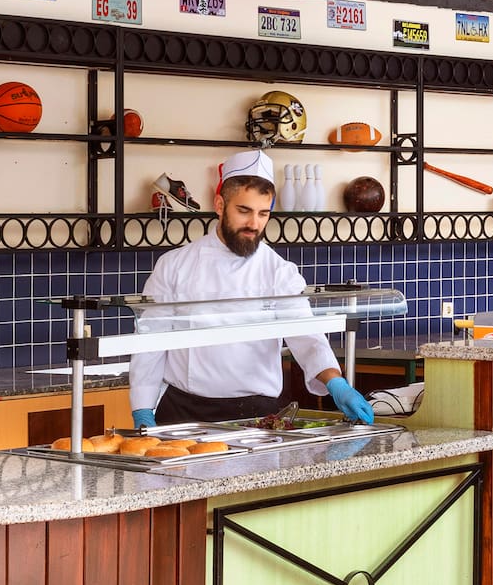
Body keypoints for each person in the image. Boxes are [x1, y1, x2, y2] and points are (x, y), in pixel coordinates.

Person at [129, 150, 374, 427]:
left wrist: (337, 383)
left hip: (258, 415)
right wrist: (142, 408)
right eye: (243, 211)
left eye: (263, 213)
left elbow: (306, 336)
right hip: (184, 412)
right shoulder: (174, 265)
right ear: (220, 205)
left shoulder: (278, 271)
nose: (254, 224)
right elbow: (150, 342)